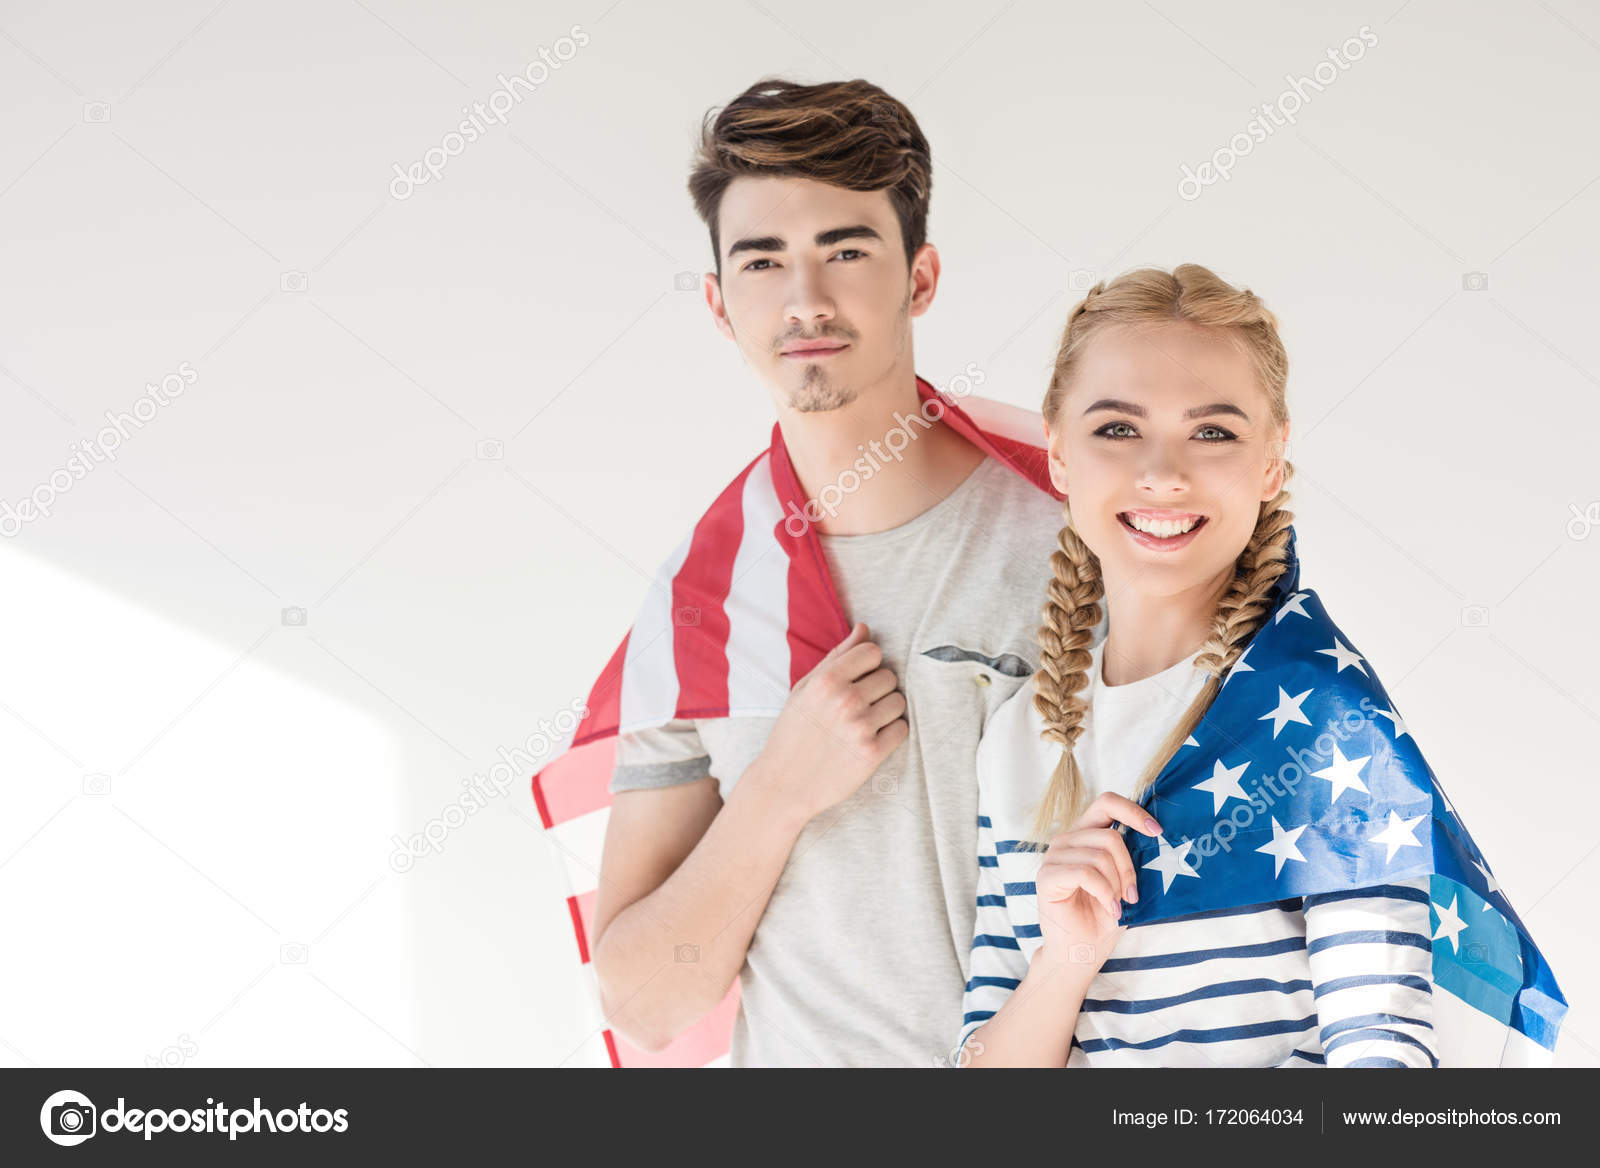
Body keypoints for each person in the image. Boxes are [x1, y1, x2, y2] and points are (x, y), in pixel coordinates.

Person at [587, 77, 1064, 1067]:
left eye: (846, 251)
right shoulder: (704, 604)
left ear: (920, 278)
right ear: (719, 304)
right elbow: (644, 1003)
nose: (804, 300)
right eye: (763, 261)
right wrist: (778, 791)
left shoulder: (1080, 533)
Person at [957, 264, 1438, 1068]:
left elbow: (1385, 1070)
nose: (1163, 474)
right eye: (1118, 429)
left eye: (1213, 432)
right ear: (1059, 453)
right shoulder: (1017, 740)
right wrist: (1066, 962)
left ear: (1272, 460)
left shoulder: (1325, 717)